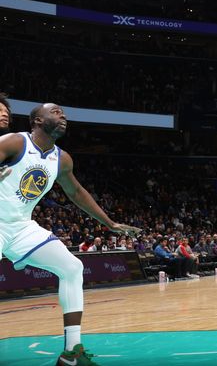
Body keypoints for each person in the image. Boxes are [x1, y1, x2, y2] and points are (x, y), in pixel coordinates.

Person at [0, 103, 141, 366]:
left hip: (21, 226)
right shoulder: (15, 142)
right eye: (55, 112)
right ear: (37, 120)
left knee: (72, 267)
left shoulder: (62, 159)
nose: (62, 116)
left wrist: (109, 223)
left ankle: (72, 352)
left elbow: (76, 193)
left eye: (63, 113)